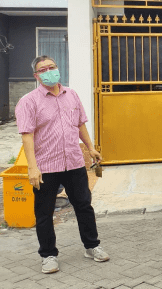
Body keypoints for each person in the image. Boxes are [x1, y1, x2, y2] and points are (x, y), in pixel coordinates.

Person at [15, 55, 109, 274]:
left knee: (84, 206)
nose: (49, 71)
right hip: (46, 166)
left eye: (52, 67)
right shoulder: (28, 101)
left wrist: (91, 147)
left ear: (58, 69)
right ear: (36, 76)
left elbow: (80, 124)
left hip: (74, 163)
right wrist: (32, 167)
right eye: (43, 69)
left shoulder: (72, 94)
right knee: (44, 212)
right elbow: (27, 136)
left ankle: (92, 246)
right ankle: (48, 255)